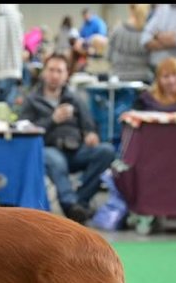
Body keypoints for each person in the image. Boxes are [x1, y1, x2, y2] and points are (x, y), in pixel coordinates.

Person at [19, 53, 116, 224]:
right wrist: (52, 120)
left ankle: (79, 202)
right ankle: (70, 204)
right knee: (55, 161)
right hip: (47, 148)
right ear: (44, 73)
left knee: (106, 151)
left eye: (59, 71)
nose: (55, 75)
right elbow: (24, 130)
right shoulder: (32, 100)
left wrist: (91, 134)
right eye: (51, 70)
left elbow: (89, 124)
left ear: (66, 75)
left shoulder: (75, 98)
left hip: (76, 150)